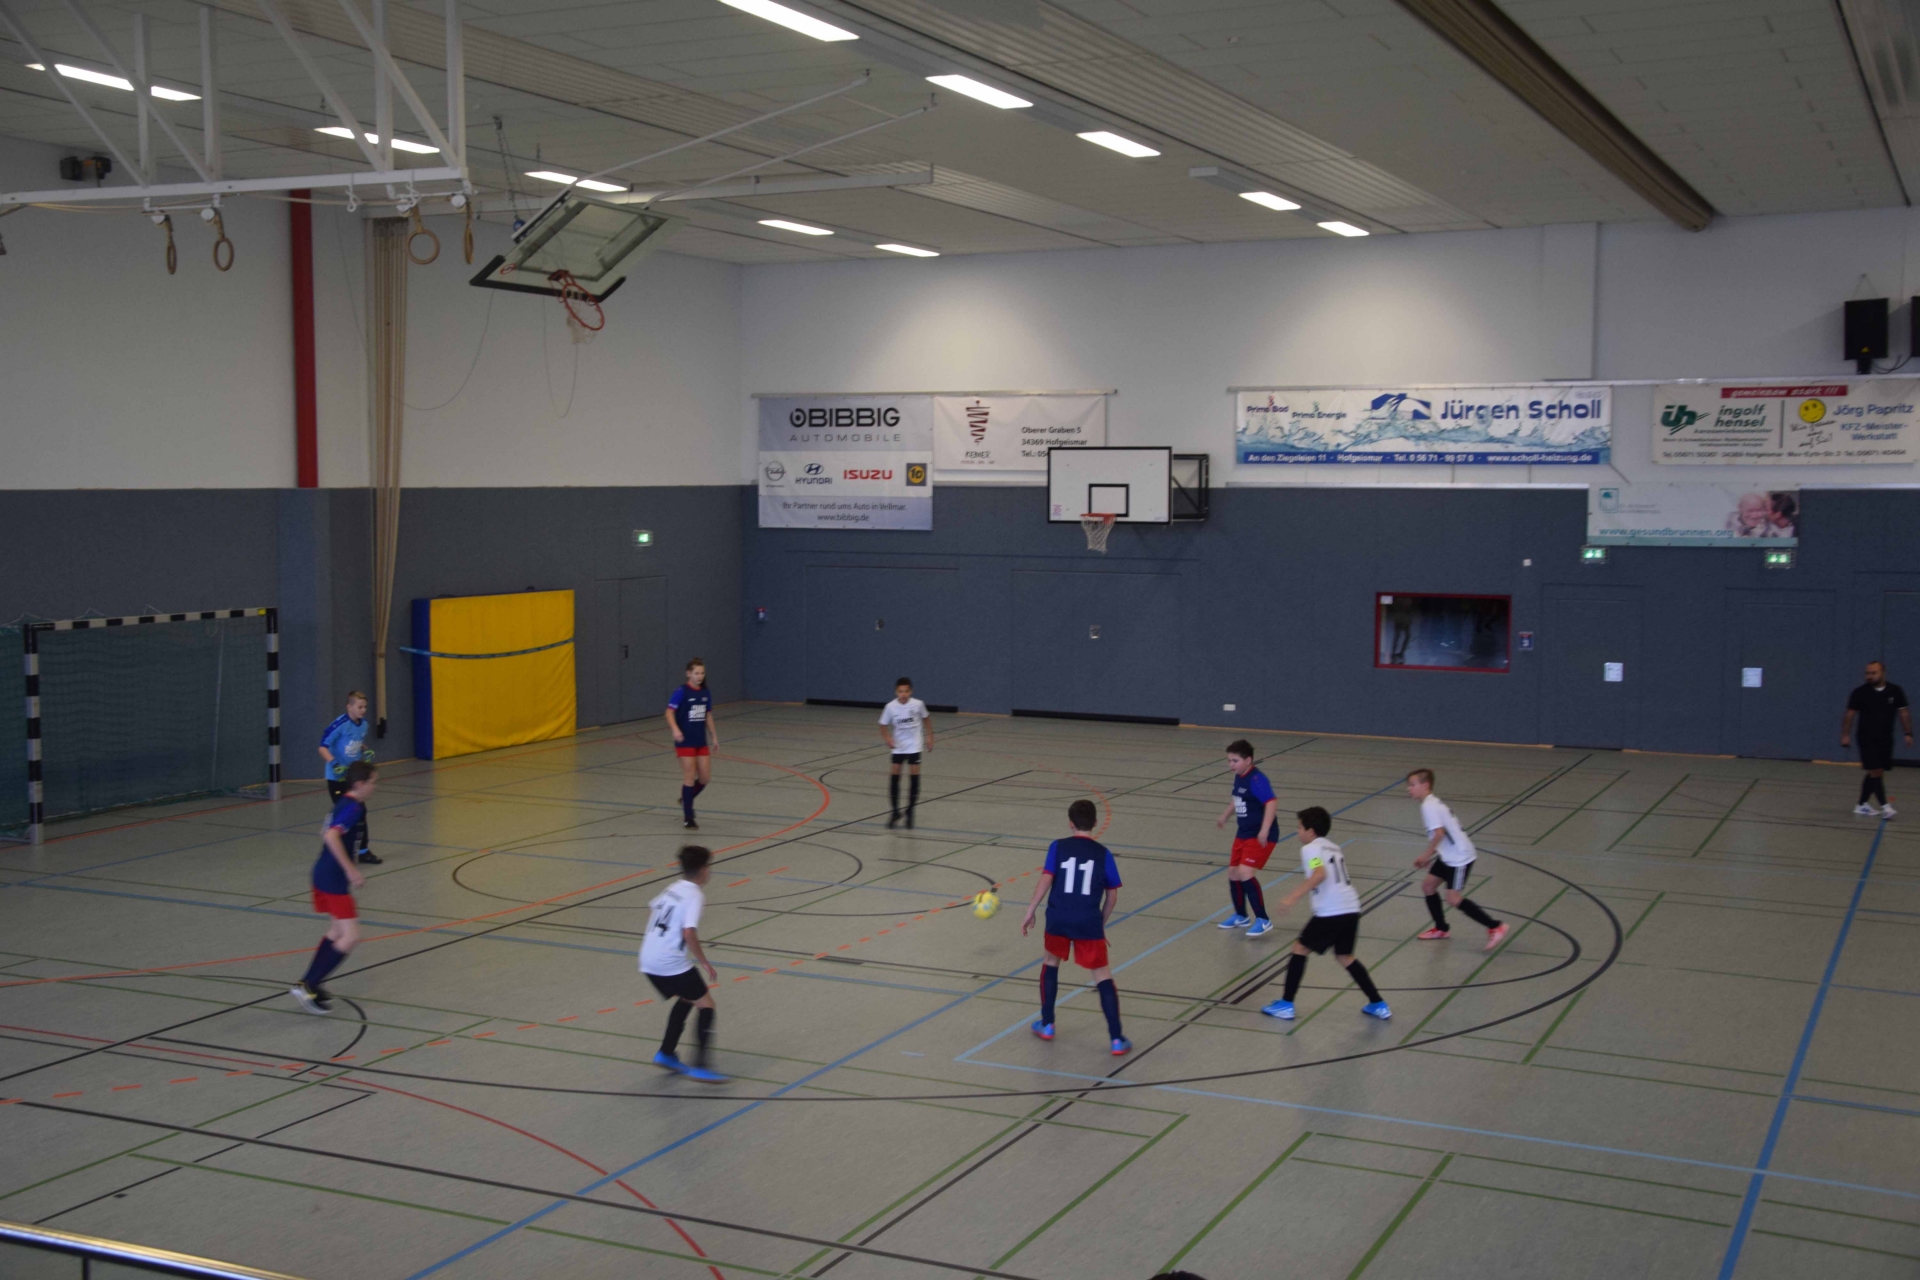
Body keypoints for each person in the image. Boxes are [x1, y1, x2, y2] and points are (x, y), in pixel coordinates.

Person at [1020, 799, 1130, 1054]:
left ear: (1070, 823)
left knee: (1050, 963)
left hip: (1058, 917)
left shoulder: (1058, 846)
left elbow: (1046, 878)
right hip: (1088, 920)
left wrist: (1031, 909)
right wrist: (1100, 924)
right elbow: (1112, 896)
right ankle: (1116, 1039)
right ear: (1095, 822)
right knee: (1102, 976)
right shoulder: (1103, 854)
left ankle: (1047, 1024)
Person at [1261, 806, 1391, 1022]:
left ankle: (1286, 1004)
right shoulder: (1334, 847)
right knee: (1344, 956)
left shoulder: (1311, 849)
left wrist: (1292, 897)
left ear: (1310, 831)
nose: (1297, 832)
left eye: (1299, 827)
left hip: (1332, 910)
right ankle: (1378, 1003)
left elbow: (1319, 874)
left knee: (1300, 948)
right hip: (1351, 907)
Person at [291, 761, 375, 1013]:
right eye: (373, 782)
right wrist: (350, 869)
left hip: (323, 872)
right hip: (333, 877)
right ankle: (309, 984)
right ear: (360, 784)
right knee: (351, 936)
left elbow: (324, 831)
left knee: (337, 931)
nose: (375, 787)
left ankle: (309, 982)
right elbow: (330, 835)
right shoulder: (354, 807)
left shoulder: (342, 802)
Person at [641, 845, 725, 1083]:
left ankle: (666, 1053)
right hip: (669, 961)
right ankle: (701, 1066)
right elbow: (689, 932)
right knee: (707, 1005)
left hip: (648, 959)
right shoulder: (695, 895)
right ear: (703, 869)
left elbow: (653, 911)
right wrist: (704, 962)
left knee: (688, 997)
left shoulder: (672, 888)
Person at [1406, 769, 1508, 949]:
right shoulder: (1430, 803)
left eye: (1413, 785)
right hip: (1449, 855)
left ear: (1425, 785)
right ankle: (1441, 929)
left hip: (1460, 857)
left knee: (1453, 898)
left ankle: (1495, 926)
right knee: (1428, 886)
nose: (1409, 789)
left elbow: (1439, 833)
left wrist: (1426, 856)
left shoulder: (1429, 806)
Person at [1214, 740, 1278, 938]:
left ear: (1248, 760)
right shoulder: (1239, 777)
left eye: (1235, 761)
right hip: (1243, 832)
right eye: (1229, 760)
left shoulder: (1257, 779)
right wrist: (1225, 815)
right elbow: (1237, 799)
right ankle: (1241, 916)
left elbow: (1271, 803)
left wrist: (1264, 830)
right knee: (1233, 872)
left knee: (1245, 872)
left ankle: (1263, 919)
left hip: (1259, 834)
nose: (1231, 764)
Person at [1843, 661, 1912, 817]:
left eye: (1873, 673)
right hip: (1866, 738)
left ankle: (1861, 805)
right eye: (1867, 673)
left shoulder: (1895, 691)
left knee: (1877, 771)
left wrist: (1908, 733)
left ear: (1882, 673)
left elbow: (1904, 712)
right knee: (1874, 770)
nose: (1869, 676)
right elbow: (1849, 715)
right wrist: (1845, 735)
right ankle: (1885, 807)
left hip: (1886, 738)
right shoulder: (1860, 692)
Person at [318, 690, 379, 865]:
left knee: (360, 811)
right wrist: (334, 763)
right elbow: (322, 747)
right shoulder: (340, 725)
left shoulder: (364, 725)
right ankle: (336, 850)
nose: (363, 710)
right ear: (349, 707)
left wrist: (366, 749)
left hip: (353, 777)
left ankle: (363, 851)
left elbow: (357, 740)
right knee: (344, 814)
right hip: (337, 778)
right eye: (360, 707)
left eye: (365, 707)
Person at [665, 658, 717, 830]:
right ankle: (688, 817)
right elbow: (669, 712)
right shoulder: (681, 692)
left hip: (700, 741)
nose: (700, 676)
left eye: (702, 673)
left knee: (705, 778)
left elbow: (708, 715)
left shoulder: (705, 693)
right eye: (696, 673)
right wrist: (675, 730)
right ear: (688, 674)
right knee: (689, 775)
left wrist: (714, 736)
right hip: (685, 741)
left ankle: (686, 799)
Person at [878, 677, 932, 829]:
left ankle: (910, 811)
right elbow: (882, 724)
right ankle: (895, 811)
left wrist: (930, 737)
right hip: (898, 747)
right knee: (895, 776)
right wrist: (888, 738)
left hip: (914, 746)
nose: (903, 694)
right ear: (896, 692)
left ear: (911, 691)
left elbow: (926, 719)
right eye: (900, 691)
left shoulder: (918, 704)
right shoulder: (890, 707)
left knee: (914, 778)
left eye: (906, 691)